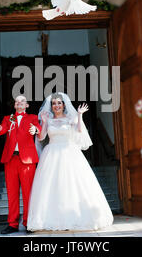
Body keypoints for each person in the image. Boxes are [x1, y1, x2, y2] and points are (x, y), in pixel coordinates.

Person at [27, 92, 113, 232]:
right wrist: (43, 121)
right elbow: (41, 137)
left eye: (59, 103)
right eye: (54, 103)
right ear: (51, 106)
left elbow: (79, 131)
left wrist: (79, 115)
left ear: (63, 105)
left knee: (73, 184)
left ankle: (75, 217)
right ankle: (52, 218)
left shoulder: (70, 118)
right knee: (52, 186)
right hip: (52, 153)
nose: (56, 105)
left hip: (70, 152)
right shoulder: (47, 119)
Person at [0, 95, 42, 234]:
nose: (19, 103)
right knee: (12, 194)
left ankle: (28, 222)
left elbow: (38, 128)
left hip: (27, 160)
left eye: (22, 101)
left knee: (28, 194)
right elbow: (1, 130)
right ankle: (12, 224)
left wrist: (35, 130)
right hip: (10, 160)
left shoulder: (32, 117)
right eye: (17, 101)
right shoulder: (8, 118)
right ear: (14, 106)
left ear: (26, 105)